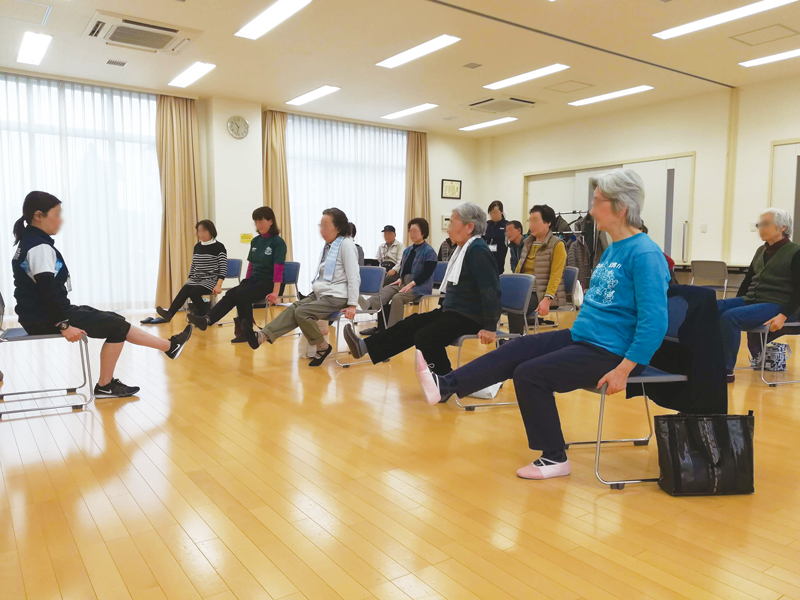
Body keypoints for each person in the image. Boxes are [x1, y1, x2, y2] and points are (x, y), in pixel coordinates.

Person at [415, 170, 669, 481]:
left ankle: (555, 457)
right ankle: (446, 385)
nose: (590, 210)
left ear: (620, 207)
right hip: (585, 339)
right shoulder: (614, 248)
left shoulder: (644, 253)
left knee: (530, 374)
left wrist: (625, 368)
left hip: (614, 353)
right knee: (517, 347)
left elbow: (655, 321)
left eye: (597, 202)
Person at [12, 191, 193, 399]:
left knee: (115, 320)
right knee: (117, 327)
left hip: (41, 314)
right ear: (38, 215)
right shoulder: (39, 247)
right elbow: (46, 291)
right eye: (57, 213)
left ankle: (169, 347)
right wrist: (63, 325)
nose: (61, 219)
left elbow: (45, 292)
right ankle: (107, 384)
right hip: (46, 317)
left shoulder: (30, 242)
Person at [342, 203, 501, 376]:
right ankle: (364, 346)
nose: (448, 229)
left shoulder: (478, 250)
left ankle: (446, 381)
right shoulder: (465, 249)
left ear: (469, 227)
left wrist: (490, 326)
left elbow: (490, 289)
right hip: (454, 312)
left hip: (470, 318)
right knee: (412, 323)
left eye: (452, 223)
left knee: (426, 336)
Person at [245, 208, 360, 367]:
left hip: (337, 297)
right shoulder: (329, 246)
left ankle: (322, 347)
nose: (321, 230)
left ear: (338, 227)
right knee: (294, 307)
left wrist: (353, 304)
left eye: (325, 226)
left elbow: (354, 276)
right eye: (320, 225)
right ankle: (262, 336)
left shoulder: (346, 245)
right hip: (321, 294)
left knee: (302, 312)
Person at [717, 208, 800, 383]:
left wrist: (784, 315)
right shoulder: (760, 251)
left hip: (778, 304)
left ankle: (725, 370)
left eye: (765, 224)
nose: (760, 228)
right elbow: (747, 282)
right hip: (753, 300)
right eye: (759, 225)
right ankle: (706, 361)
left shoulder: (795, 252)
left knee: (730, 317)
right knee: (712, 307)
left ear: (782, 227)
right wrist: (737, 302)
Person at [187, 207, 285, 343]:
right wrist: (246, 281)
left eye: (261, 221)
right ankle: (212, 321)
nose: (258, 225)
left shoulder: (278, 242)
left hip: (269, 282)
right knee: (233, 293)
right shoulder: (255, 241)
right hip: (253, 281)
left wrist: (275, 292)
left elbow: (279, 268)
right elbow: (251, 264)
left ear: (270, 221)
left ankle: (211, 320)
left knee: (241, 295)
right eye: (256, 222)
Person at [359, 218, 438, 335]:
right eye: (410, 231)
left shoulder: (429, 251)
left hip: (420, 285)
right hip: (404, 282)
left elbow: (427, 273)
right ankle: (369, 305)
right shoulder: (408, 250)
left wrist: (412, 283)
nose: (412, 234)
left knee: (397, 298)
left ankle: (393, 331)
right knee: (386, 289)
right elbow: (403, 268)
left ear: (423, 232)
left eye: (415, 231)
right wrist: (400, 279)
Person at [145, 220, 226, 324]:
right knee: (185, 289)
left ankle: (205, 315)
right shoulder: (197, 246)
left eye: (203, 231)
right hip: (196, 279)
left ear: (211, 231)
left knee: (194, 292)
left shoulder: (219, 247)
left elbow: (223, 267)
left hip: (210, 279)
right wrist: (190, 278)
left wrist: (219, 284)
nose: (201, 234)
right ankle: (169, 315)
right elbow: (193, 264)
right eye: (199, 231)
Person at [509, 205, 567, 334]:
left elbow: (556, 276)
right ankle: (508, 339)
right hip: (522, 289)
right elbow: (518, 269)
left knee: (515, 304)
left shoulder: (557, 245)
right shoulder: (528, 243)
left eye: (535, 220)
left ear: (548, 223)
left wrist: (547, 299)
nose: (531, 225)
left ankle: (514, 341)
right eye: (530, 221)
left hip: (540, 292)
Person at [483, 200, 508, 274]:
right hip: (486, 256)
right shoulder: (487, 224)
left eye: (495, 212)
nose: (493, 215)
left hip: (499, 256)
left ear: (501, 212)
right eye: (491, 213)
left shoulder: (506, 225)